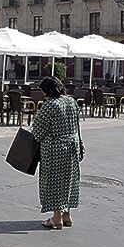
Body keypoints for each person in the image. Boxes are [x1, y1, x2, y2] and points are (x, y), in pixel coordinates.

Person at [31, 76, 82, 229]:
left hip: (55, 150)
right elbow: (77, 126)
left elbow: (38, 133)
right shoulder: (71, 101)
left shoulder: (50, 105)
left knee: (54, 182)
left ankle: (56, 218)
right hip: (73, 147)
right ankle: (67, 216)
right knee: (69, 182)